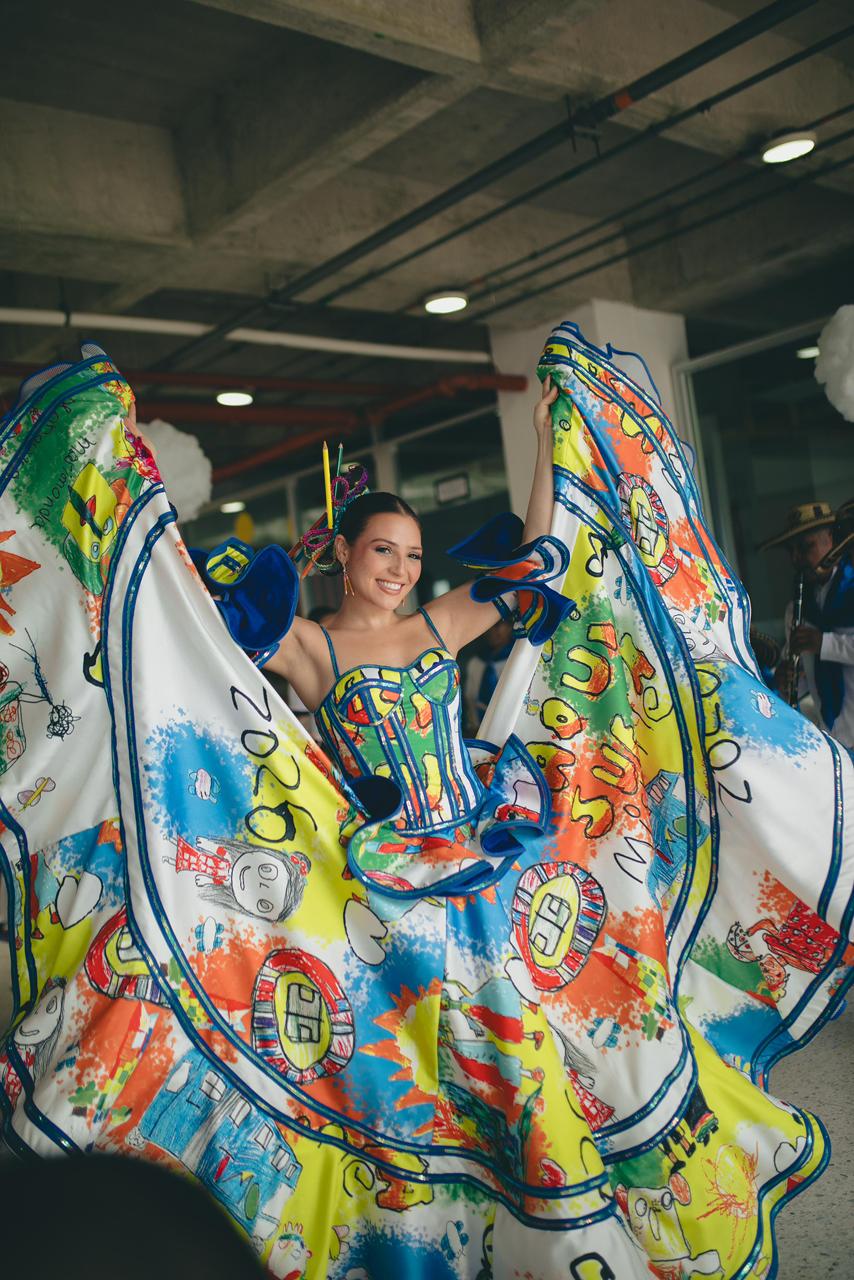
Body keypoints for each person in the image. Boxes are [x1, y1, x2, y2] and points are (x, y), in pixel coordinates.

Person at [2, 332, 853, 1280]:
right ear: (345, 556)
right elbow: (188, 618)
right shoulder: (312, 645)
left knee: (522, 1034)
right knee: (410, 1055)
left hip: (484, 853)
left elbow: (534, 559)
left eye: (411, 553)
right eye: (383, 551)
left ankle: (551, 1200)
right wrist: (125, 480)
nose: (401, 568)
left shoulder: (435, 625)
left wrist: (548, 436)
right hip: (382, 871)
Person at [761, 500, 854, 748]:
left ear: (832, 540)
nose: (797, 559)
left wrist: (823, 642)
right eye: (792, 551)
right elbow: (806, 678)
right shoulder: (796, 610)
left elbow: (822, 647)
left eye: (806, 547)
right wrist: (785, 680)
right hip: (835, 744)